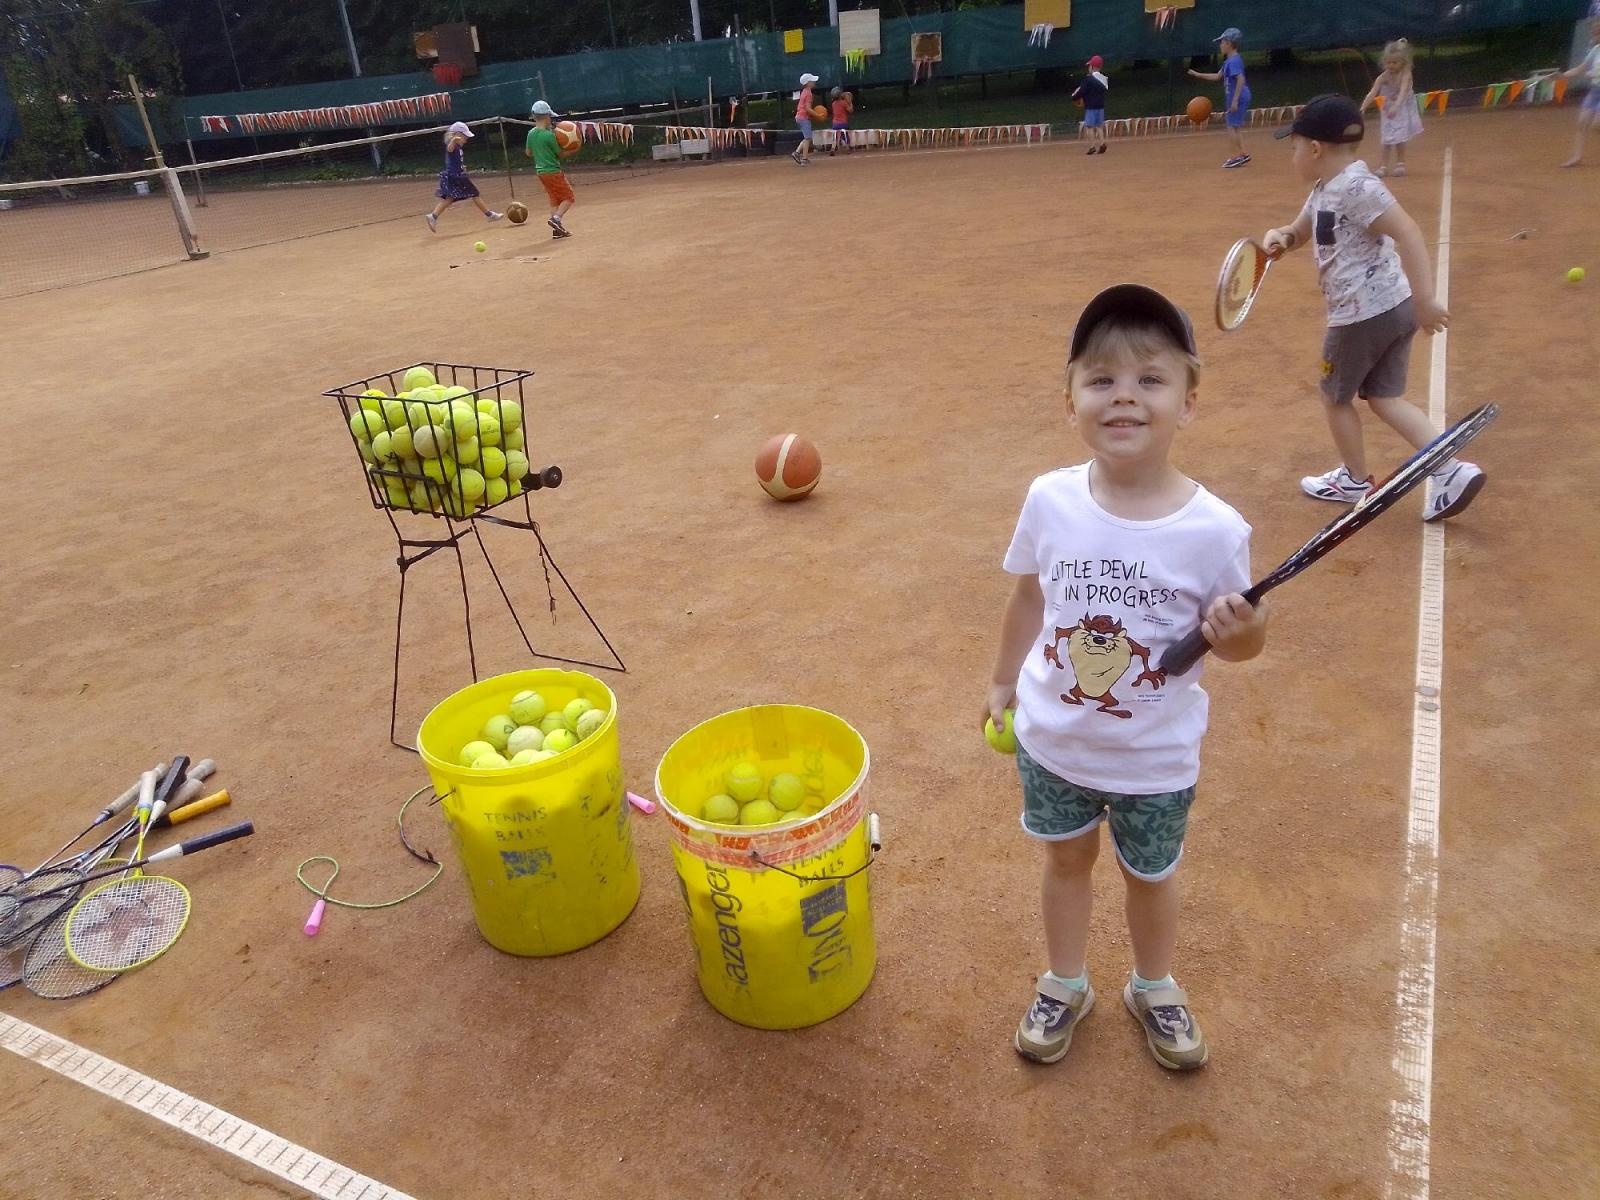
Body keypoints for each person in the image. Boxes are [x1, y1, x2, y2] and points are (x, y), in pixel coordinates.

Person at [989, 284, 1268, 1071]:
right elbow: (1028, 595)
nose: (1125, 398)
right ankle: (1065, 980)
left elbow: (1237, 644)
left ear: (1189, 401)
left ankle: (1154, 984)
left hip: (1156, 760)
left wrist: (1247, 633)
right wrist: (1002, 683)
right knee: (1065, 863)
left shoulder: (1215, 530)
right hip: (1055, 742)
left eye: (1151, 380)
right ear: (1070, 398)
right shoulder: (1050, 499)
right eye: (1101, 379)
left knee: (1150, 877)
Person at [1263, 95, 1485, 519]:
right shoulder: (1325, 189)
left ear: (1314, 149)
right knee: (1385, 398)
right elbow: (1301, 230)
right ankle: (1450, 471)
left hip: (1361, 315)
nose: (1292, 156)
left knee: (1335, 397)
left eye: (1293, 147)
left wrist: (1426, 301)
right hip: (1390, 309)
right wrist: (1282, 238)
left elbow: (1410, 232)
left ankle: (1353, 478)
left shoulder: (1357, 188)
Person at [1188, 27, 1252, 167]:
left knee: (1231, 126)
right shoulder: (1229, 61)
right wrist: (1198, 74)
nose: (1220, 45)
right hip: (1239, 96)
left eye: (1222, 42)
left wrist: (1235, 100)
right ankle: (1242, 153)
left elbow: (1240, 79)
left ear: (1229, 43)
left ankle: (1236, 156)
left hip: (1238, 96)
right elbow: (1217, 76)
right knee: (1234, 126)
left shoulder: (1234, 61)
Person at [1360, 39, 1424, 177]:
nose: (1391, 65)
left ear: (1403, 62)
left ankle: (1400, 163)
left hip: (1402, 107)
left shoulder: (1406, 74)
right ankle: (1383, 166)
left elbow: (1402, 92)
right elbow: (1372, 93)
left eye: (1394, 62)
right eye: (1388, 62)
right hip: (1388, 108)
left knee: (1399, 137)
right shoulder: (1382, 77)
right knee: (1386, 137)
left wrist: (1396, 106)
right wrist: (1363, 107)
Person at [425, 121, 503, 232]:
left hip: (457, 175)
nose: (466, 139)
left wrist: (462, 167)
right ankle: (489, 215)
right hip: (455, 177)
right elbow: (449, 148)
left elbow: (454, 160)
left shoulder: (458, 148)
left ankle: (433, 216)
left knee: (450, 198)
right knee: (475, 193)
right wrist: (453, 140)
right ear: (457, 135)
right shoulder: (453, 145)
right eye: (464, 137)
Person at [523, 101, 575, 239]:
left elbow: (528, 153)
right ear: (547, 116)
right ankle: (556, 219)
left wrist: (540, 151)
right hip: (553, 171)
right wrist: (573, 149)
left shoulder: (531, 133)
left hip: (540, 172)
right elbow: (560, 154)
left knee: (555, 199)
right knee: (569, 197)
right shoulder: (549, 135)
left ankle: (557, 231)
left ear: (534, 116)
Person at [1557, 21, 1600, 167]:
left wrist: (1593, 74)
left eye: (1596, 33)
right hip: (1594, 92)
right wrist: (1563, 76)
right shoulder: (1595, 50)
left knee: (1597, 125)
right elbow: (1580, 69)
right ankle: (1576, 157)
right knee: (1581, 123)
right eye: (1593, 33)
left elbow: (1592, 73)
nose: (1593, 36)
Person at [1073, 55, 1110, 156]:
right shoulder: (1104, 79)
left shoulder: (1088, 79)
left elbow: (1082, 91)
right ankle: (1102, 143)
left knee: (1089, 126)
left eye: (1089, 66)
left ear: (1092, 67)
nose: (1088, 68)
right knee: (1099, 126)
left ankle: (1092, 146)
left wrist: (1074, 97)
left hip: (1090, 106)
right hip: (1100, 106)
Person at [792, 73, 819, 165]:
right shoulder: (808, 94)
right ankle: (804, 159)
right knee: (808, 138)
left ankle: (797, 153)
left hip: (800, 117)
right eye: (812, 81)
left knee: (806, 137)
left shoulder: (804, 91)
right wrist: (817, 115)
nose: (814, 82)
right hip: (803, 117)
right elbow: (807, 108)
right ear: (808, 83)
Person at [829, 86, 854, 156]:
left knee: (836, 136)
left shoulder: (833, 104)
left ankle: (833, 148)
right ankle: (848, 148)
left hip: (835, 124)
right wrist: (850, 102)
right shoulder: (843, 103)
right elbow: (850, 110)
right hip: (843, 123)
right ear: (840, 95)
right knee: (845, 135)